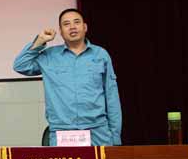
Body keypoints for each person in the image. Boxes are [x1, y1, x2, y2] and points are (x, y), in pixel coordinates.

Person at [13, 8, 122, 146]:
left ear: (85, 27)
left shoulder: (100, 55)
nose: (72, 27)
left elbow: (111, 96)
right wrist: (40, 41)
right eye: (66, 24)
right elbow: (20, 65)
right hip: (63, 132)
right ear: (61, 31)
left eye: (76, 22)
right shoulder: (49, 56)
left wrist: (115, 137)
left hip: (98, 131)